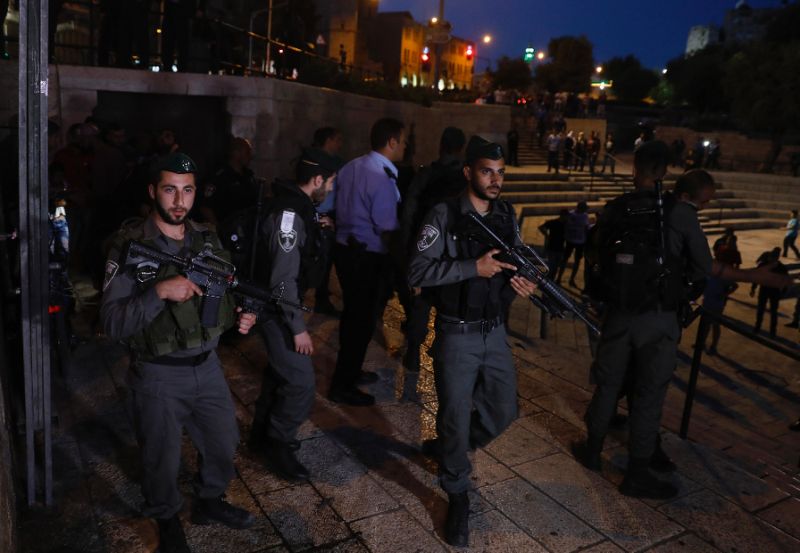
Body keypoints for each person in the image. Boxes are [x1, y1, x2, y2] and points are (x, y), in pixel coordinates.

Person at [574, 148, 794, 500]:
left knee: (608, 385)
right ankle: (637, 474)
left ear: (634, 169)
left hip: (618, 314)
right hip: (659, 318)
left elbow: (595, 256)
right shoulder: (677, 213)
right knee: (648, 395)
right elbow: (704, 269)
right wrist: (754, 275)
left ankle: (592, 450)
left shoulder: (615, 208)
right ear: (665, 172)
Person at [100, 152, 256, 552]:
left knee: (223, 441)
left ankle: (209, 500)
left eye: (187, 191)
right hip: (157, 374)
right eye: (170, 190)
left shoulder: (207, 237)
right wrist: (157, 293)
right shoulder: (130, 245)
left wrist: (241, 316)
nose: (179, 201)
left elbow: (223, 291)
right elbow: (113, 323)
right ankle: (166, 516)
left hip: (207, 367)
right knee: (161, 458)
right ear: (153, 191)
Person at [408, 136, 537, 547]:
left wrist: (523, 278)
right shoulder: (443, 214)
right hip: (456, 332)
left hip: (494, 330)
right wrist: (471, 267)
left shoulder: (505, 213)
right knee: (454, 413)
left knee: (504, 409)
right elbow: (417, 271)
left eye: (501, 173)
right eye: (487, 171)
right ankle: (457, 490)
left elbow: (509, 258)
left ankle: (452, 448)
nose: (495, 180)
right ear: (468, 172)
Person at [248, 148, 337, 481]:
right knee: (301, 382)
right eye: (330, 182)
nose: (330, 188)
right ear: (317, 180)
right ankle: (277, 443)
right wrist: (298, 329)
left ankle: (260, 437)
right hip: (277, 311)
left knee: (279, 374)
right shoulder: (290, 215)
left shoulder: (300, 207)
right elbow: (283, 280)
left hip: (277, 307)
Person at [328, 118, 405, 406]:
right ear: (392, 142)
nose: (405, 147)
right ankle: (342, 385)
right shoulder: (381, 177)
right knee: (360, 321)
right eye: (403, 141)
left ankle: (350, 371)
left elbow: (331, 204)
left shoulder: (351, 166)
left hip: (344, 251)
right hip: (367, 257)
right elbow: (386, 227)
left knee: (352, 317)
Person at [400, 127, 467, 376]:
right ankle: (442, 352)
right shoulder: (466, 179)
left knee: (420, 306)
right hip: (455, 257)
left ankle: (414, 353)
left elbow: (409, 214)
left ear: (441, 145)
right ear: (461, 148)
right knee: (449, 307)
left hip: (426, 250)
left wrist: (409, 254)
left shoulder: (426, 175)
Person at [311, 127, 345, 316]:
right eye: (337, 139)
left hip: (329, 216)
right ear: (329, 140)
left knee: (326, 260)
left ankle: (321, 297)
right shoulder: (319, 162)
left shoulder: (333, 162)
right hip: (319, 216)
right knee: (321, 260)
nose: (340, 144)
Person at [201, 137, 260, 226]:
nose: (250, 156)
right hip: (226, 231)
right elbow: (206, 207)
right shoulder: (220, 177)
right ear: (235, 153)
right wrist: (218, 230)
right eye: (247, 152)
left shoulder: (248, 177)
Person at [750, 247, 788, 338]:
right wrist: (783, 292)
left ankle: (758, 328)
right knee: (772, 312)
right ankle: (771, 331)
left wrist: (753, 288)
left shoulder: (765, 265)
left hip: (767, 290)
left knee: (762, 310)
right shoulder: (781, 267)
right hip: (773, 291)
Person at [557, 200, 590, 288]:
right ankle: (559, 278)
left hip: (579, 241)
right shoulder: (572, 215)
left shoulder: (584, 215)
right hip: (571, 241)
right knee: (566, 259)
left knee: (576, 260)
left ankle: (570, 279)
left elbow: (585, 228)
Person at [539, 209, 568, 277]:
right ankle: (549, 279)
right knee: (552, 266)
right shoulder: (554, 222)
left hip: (560, 248)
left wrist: (546, 235)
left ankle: (551, 279)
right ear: (563, 216)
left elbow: (541, 227)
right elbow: (541, 227)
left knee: (555, 266)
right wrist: (546, 235)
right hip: (552, 247)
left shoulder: (564, 224)